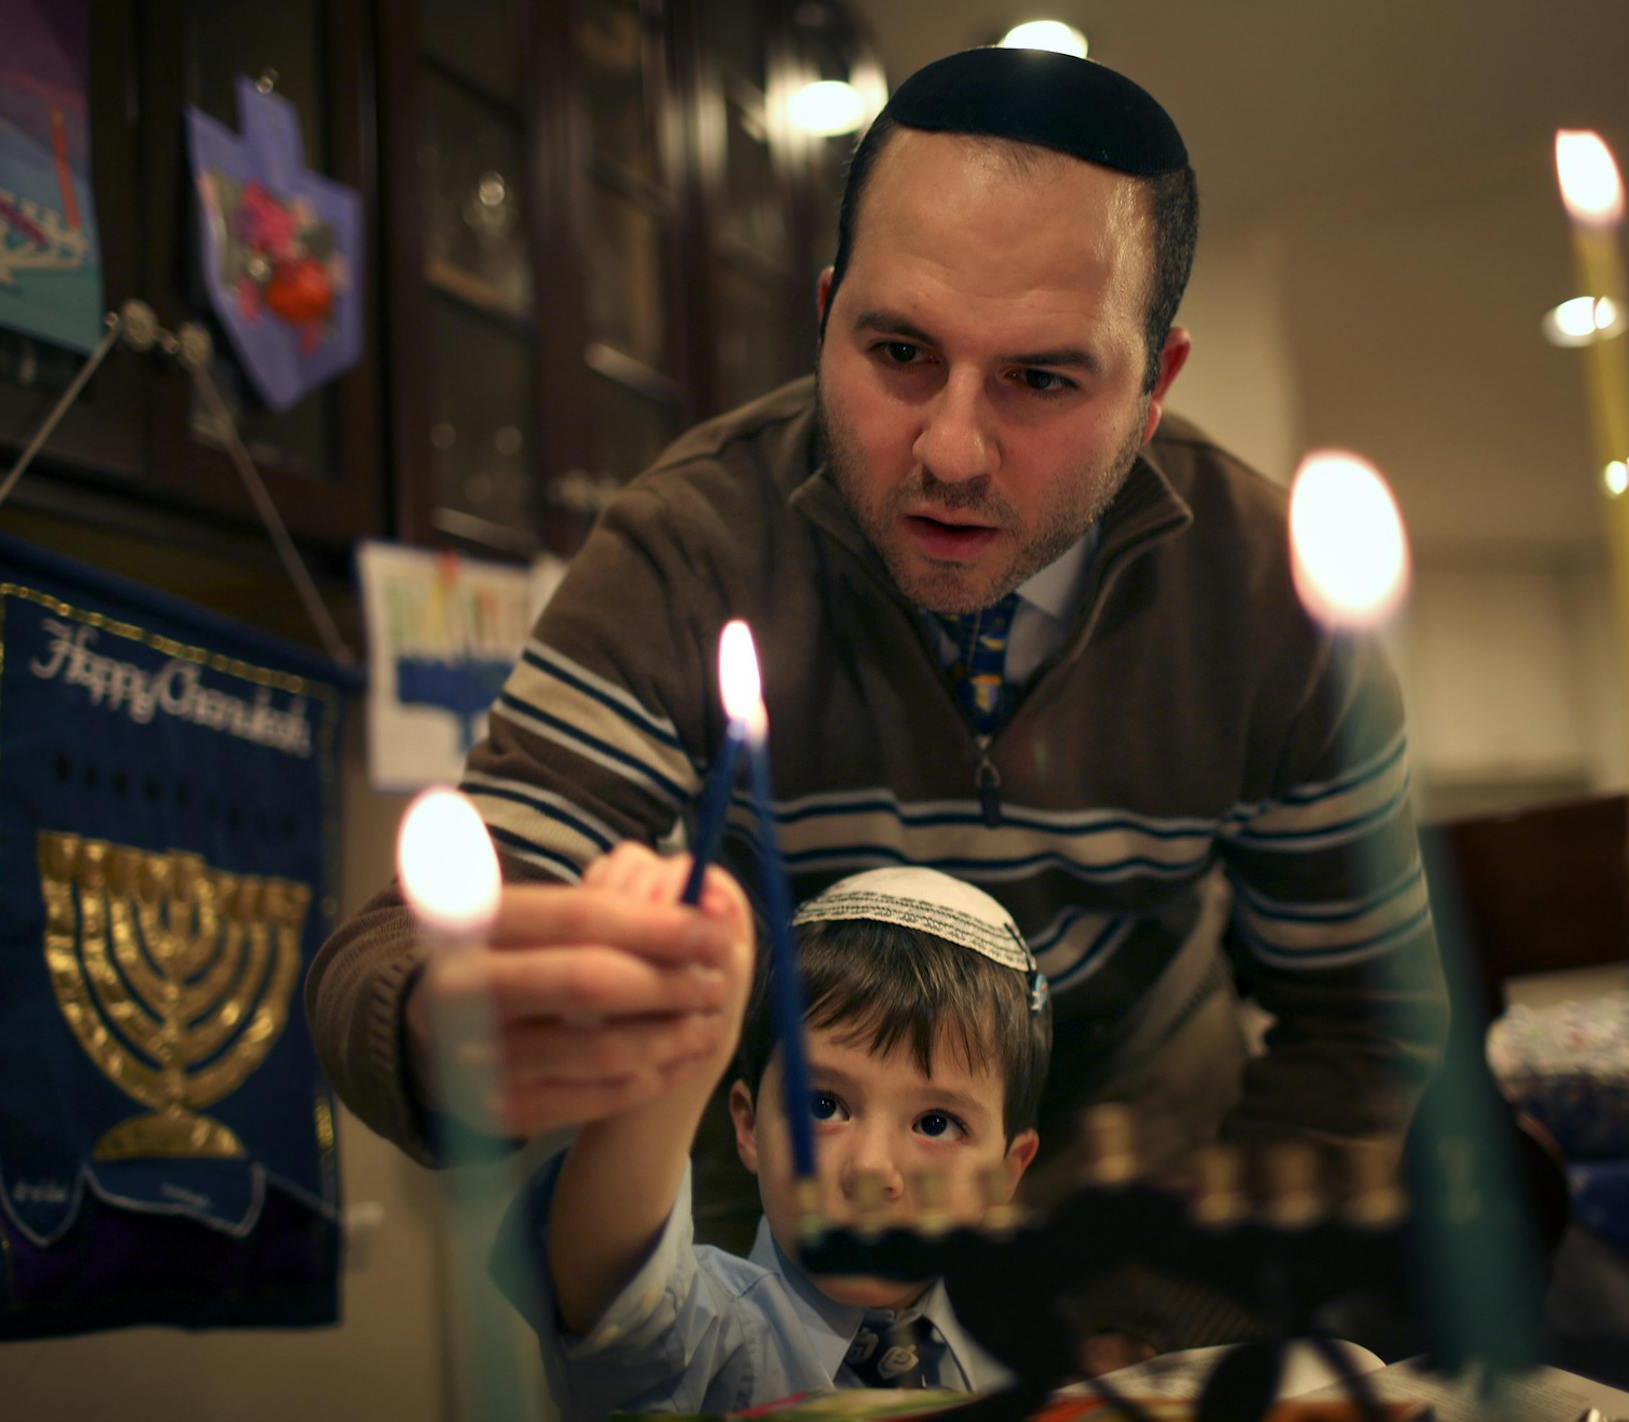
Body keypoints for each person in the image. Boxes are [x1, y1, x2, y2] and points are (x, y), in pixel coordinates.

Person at [307, 44, 1446, 1247]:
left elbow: (1366, 1023)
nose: (951, 451)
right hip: (778, 1243)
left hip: (1133, 1208)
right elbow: (388, 959)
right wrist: (453, 1022)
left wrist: (1187, 1301)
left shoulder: (1270, 599)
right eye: (899, 354)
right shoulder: (690, 546)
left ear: (1153, 387)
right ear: (826, 316)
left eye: (1042, 379)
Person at [489, 851, 1051, 1419]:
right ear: (750, 1123)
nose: (873, 1169)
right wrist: (662, 1057)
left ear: (1007, 1171)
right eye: (824, 1105)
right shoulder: (710, 1338)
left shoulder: (1019, 1345)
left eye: (935, 1123)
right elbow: (616, 1297)